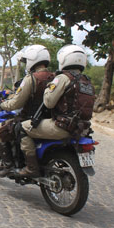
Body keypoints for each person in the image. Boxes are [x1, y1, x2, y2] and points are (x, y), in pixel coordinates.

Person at [16, 44, 95, 178]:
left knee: (22, 128)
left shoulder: (63, 78)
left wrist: (48, 88)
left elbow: (49, 102)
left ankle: (31, 168)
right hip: (82, 128)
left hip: (63, 126)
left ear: (64, 60)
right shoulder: (87, 82)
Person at [0, 45, 54, 177]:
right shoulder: (55, 77)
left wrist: (1, 105)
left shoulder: (31, 79)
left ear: (32, 60)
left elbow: (16, 103)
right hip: (48, 119)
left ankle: (8, 165)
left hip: (30, 118)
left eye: (26, 61)